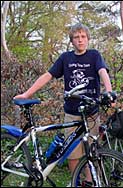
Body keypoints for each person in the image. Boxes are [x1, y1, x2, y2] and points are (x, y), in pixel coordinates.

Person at [14, 23, 113, 181]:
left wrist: (108, 91)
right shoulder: (65, 58)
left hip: (91, 114)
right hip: (72, 113)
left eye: (83, 37)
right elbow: (48, 76)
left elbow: (102, 72)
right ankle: (75, 181)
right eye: (76, 37)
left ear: (88, 39)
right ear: (72, 40)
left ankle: (91, 183)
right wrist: (27, 93)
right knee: (72, 154)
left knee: (93, 152)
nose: (80, 40)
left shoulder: (94, 55)